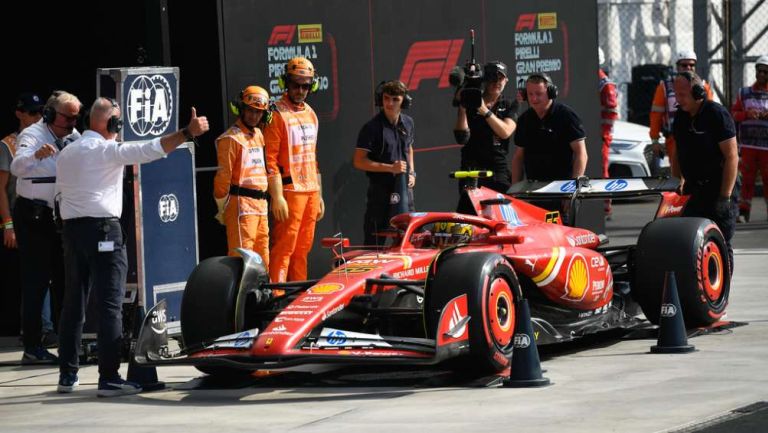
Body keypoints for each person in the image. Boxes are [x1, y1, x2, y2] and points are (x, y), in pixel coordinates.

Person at [55, 97, 209, 396]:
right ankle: (109, 378)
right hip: (102, 230)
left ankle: (67, 376)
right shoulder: (106, 151)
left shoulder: (67, 152)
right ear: (112, 124)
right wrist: (186, 133)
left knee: (73, 304)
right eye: (118, 120)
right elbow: (150, 149)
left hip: (72, 233)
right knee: (110, 305)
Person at [10, 90, 81, 364]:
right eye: (67, 117)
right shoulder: (32, 136)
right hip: (34, 215)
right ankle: (32, 346)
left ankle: (67, 342)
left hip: (62, 215)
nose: (73, 123)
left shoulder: (73, 137)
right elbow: (17, 166)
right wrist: (36, 156)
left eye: (76, 117)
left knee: (66, 279)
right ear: (50, 114)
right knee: (36, 281)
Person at [263, 57, 324, 282]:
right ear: (285, 83)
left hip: (310, 191)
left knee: (302, 250)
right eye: (296, 84)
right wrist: (277, 196)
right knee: (283, 249)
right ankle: (277, 298)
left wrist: (320, 195)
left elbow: (313, 158)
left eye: (306, 85)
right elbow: (269, 161)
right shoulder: (276, 114)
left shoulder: (311, 113)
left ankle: (297, 299)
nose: (300, 90)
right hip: (290, 192)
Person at [671, 72, 738, 272]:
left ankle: (720, 294)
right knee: (689, 241)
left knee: (720, 241)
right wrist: (677, 182)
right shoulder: (681, 117)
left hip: (719, 188)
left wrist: (724, 197)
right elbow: (677, 152)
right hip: (694, 189)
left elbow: (732, 156)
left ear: (698, 92)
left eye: (682, 94)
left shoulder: (716, 114)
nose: (678, 99)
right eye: (676, 94)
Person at [511, 73, 588, 212]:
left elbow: (581, 154)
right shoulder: (524, 120)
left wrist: (571, 190)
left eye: (539, 94)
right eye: (530, 94)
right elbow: (518, 157)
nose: (534, 98)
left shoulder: (566, 116)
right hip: (534, 191)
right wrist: (515, 192)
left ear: (551, 92)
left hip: (562, 191)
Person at [0, 93, 43, 337]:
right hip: (21, 218)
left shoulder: (49, 137)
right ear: (19, 113)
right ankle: (33, 332)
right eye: (32, 112)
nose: (37, 117)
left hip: (43, 214)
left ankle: (45, 328)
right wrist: (8, 224)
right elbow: (1, 188)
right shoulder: (8, 144)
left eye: (40, 112)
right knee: (31, 276)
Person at [353, 80, 416, 246]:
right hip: (380, 191)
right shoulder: (371, 128)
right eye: (386, 98)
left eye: (395, 99)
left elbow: (409, 149)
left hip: (403, 190)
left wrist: (412, 173)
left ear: (404, 101)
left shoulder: (408, 123)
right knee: (374, 242)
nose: (389, 103)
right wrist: (390, 168)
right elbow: (359, 161)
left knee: (407, 238)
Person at [214, 86, 272, 263]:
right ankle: (240, 292)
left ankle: (262, 292)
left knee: (263, 262)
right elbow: (223, 177)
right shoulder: (230, 139)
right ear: (241, 109)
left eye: (259, 112)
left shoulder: (259, 135)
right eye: (250, 110)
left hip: (261, 207)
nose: (254, 116)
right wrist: (221, 207)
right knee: (242, 261)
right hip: (241, 207)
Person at [453, 61, 518, 211]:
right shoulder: (472, 100)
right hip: (471, 169)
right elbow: (461, 137)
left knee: (501, 216)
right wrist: (463, 107)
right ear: (485, 80)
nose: (496, 82)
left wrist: (485, 111)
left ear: (506, 80)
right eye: (492, 78)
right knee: (468, 216)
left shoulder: (509, 104)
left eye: (500, 78)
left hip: (497, 169)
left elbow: (505, 131)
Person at [650, 50, 714, 175]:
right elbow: (656, 115)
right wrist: (655, 141)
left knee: (700, 174)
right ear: (677, 66)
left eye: (691, 65)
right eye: (684, 65)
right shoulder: (664, 87)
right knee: (678, 176)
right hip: (675, 140)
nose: (688, 68)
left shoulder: (704, 87)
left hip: (699, 138)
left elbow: (711, 116)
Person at [731, 55, 768, 223]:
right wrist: (747, 114)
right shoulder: (744, 93)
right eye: (759, 70)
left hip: (766, 147)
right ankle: (743, 213)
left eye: (766, 72)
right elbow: (733, 114)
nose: (762, 74)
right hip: (748, 145)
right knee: (746, 180)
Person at [598, 48, 619, 217]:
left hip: (601, 134)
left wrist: (603, 132)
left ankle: (605, 206)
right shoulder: (594, 80)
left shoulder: (605, 83)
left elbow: (612, 110)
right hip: (595, 132)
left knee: (602, 169)